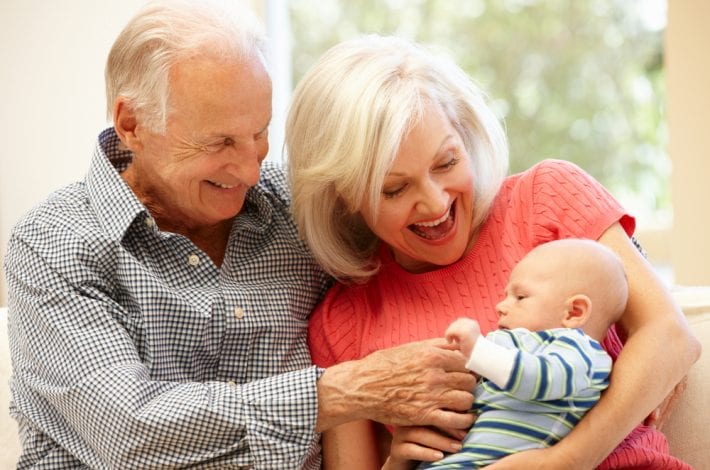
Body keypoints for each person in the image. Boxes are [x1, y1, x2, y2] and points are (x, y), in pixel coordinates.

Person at [3, 4, 477, 469]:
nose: (251, 169)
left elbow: (425, 236)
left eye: (260, 132)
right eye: (220, 142)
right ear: (132, 125)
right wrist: (347, 390)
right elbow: (131, 432)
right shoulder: (54, 245)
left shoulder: (294, 206)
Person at [286, 35, 701, 469]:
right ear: (345, 196)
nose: (435, 203)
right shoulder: (343, 322)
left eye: (446, 163)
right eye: (394, 188)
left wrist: (566, 460)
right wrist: (398, 462)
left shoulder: (546, 199)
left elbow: (670, 338)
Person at [411, 239, 628, 469]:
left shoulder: (581, 353)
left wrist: (479, 351)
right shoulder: (510, 343)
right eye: (506, 295)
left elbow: (537, 378)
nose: (500, 306)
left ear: (574, 312)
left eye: (520, 297)